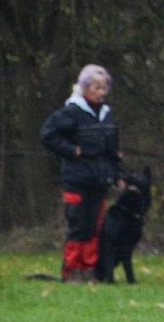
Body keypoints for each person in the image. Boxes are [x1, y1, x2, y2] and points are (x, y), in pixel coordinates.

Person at [40, 64, 122, 282]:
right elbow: (48, 135)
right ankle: (72, 269)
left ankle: (89, 269)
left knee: (95, 226)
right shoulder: (71, 112)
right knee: (78, 225)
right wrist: (70, 150)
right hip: (77, 179)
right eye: (97, 88)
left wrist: (117, 174)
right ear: (85, 88)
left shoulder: (106, 114)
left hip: (100, 180)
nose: (101, 93)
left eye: (104, 88)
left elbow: (113, 149)